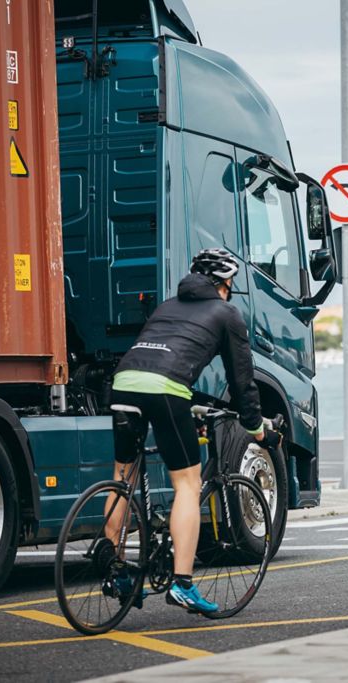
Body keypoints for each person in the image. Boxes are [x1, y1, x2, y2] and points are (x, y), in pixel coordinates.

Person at [106, 248, 282, 614]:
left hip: (123, 384)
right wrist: (255, 427)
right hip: (166, 390)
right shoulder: (226, 313)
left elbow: (164, 354)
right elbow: (242, 380)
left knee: (122, 476)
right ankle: (183, 584)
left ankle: (118, 571)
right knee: (187, 484)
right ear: (225, 284)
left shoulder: (167, 306)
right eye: (231, 284)